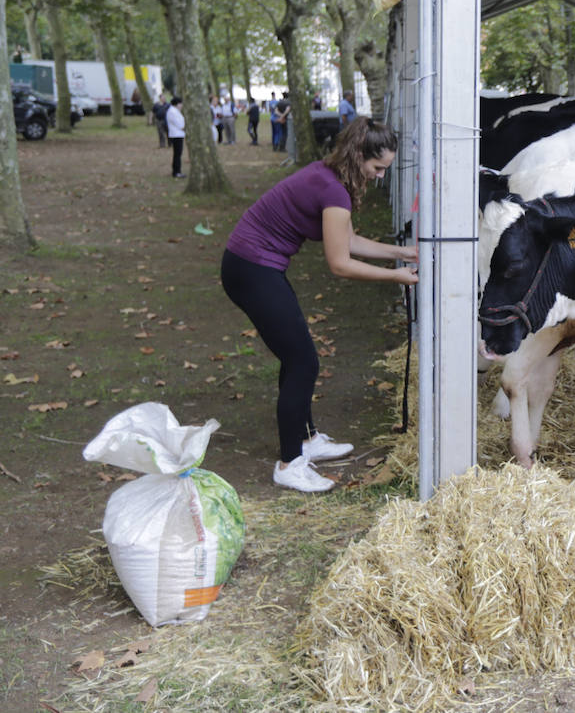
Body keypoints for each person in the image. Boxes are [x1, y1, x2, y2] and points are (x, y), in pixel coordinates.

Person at [219, 118, 417, 492]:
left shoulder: (331, 177)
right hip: (250, 269)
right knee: (303, 360)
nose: (378, 177)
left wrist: (401, 252)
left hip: (256, 266)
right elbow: (340, 263)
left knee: (297, 356)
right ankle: (289, 462)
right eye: (377, 168)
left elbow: (350, 240)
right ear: (358, 156)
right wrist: (395, 276)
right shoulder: (334, 191)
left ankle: (307, 438)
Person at [166, 96, 186, 178]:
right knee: (177, 154)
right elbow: (180, 124)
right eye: (180, 103)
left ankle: (177, 170)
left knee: (178, 154)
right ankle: (176, 172)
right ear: (177, 104)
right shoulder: (172, 112)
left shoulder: (175, 111)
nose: (181, 105)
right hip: (176, 135)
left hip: (179, 134)